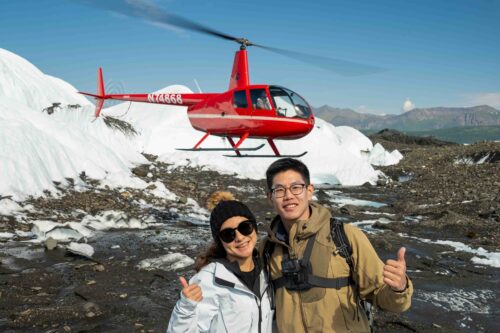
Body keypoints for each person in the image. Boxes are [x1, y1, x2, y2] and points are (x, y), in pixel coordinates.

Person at [261, 158, 413, 333]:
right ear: (270, 197)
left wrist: (399, 288)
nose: (288, 196)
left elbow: (384, 297)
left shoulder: (345, 236)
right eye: (279, 190)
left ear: (309, 191)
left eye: (296, 187)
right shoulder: (267, 248)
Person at [167, 192, 274, 333]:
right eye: (228, 234)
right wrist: (185, 309)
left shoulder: (266, 271)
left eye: (245, 227)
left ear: (254, 228)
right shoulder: (208, 280)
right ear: (220, 242)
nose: (240, 237)